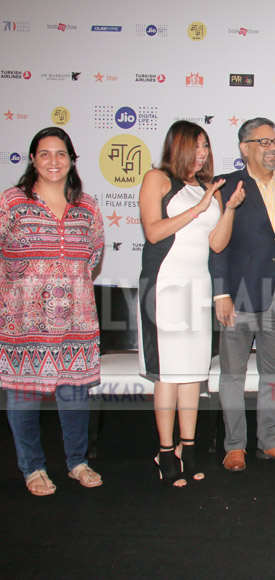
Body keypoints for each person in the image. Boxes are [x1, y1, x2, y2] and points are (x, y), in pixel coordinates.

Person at [138, 121, 245, 486]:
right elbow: (153, 231)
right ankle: (164, 450)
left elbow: (216, 244)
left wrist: (227, 208)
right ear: (178, 146)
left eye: (205, 146)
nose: (202, 153)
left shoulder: (210, 187)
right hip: (166, 283)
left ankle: (188, 445)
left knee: (192, 373)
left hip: (199, 285)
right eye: (196, 146)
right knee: (168, 373)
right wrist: (199, 207)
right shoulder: (158, 179)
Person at [210, 117, 275, 472]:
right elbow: (218, 246)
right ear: (245, 148)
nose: (273, 148)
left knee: (274, 374)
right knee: (233, 375)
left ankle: (270, 441)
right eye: (264, 142)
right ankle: (235, 445)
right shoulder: (226, 187)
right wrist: (220, 293)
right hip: (238, 294)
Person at [0, 127, 104, 495]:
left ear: (71, 160)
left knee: (74, 396)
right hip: (23, 323)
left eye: (61, 154)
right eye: (44, 154)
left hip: (76, 321)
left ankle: (77, 462)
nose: (53, 161)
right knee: (24, 395)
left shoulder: (87, 206)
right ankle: (33, 468)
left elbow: (92, 256)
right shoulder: (12, 203)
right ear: (32, 159)